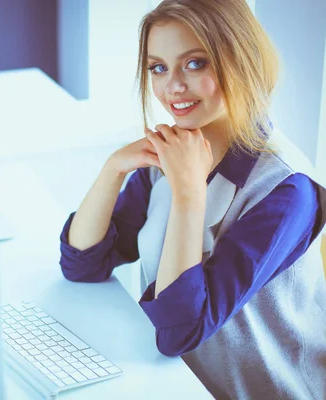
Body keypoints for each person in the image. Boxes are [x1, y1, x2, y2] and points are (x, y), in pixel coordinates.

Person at [58, 0, 326, 398]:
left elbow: (181, 330)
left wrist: (188, 192)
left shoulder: (287, 190)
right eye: (158, 67)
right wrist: (112, 169)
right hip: (180, 384)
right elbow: (84, 263)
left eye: (195, 63)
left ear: (240, 61)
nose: (173, 87)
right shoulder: (169, 154)